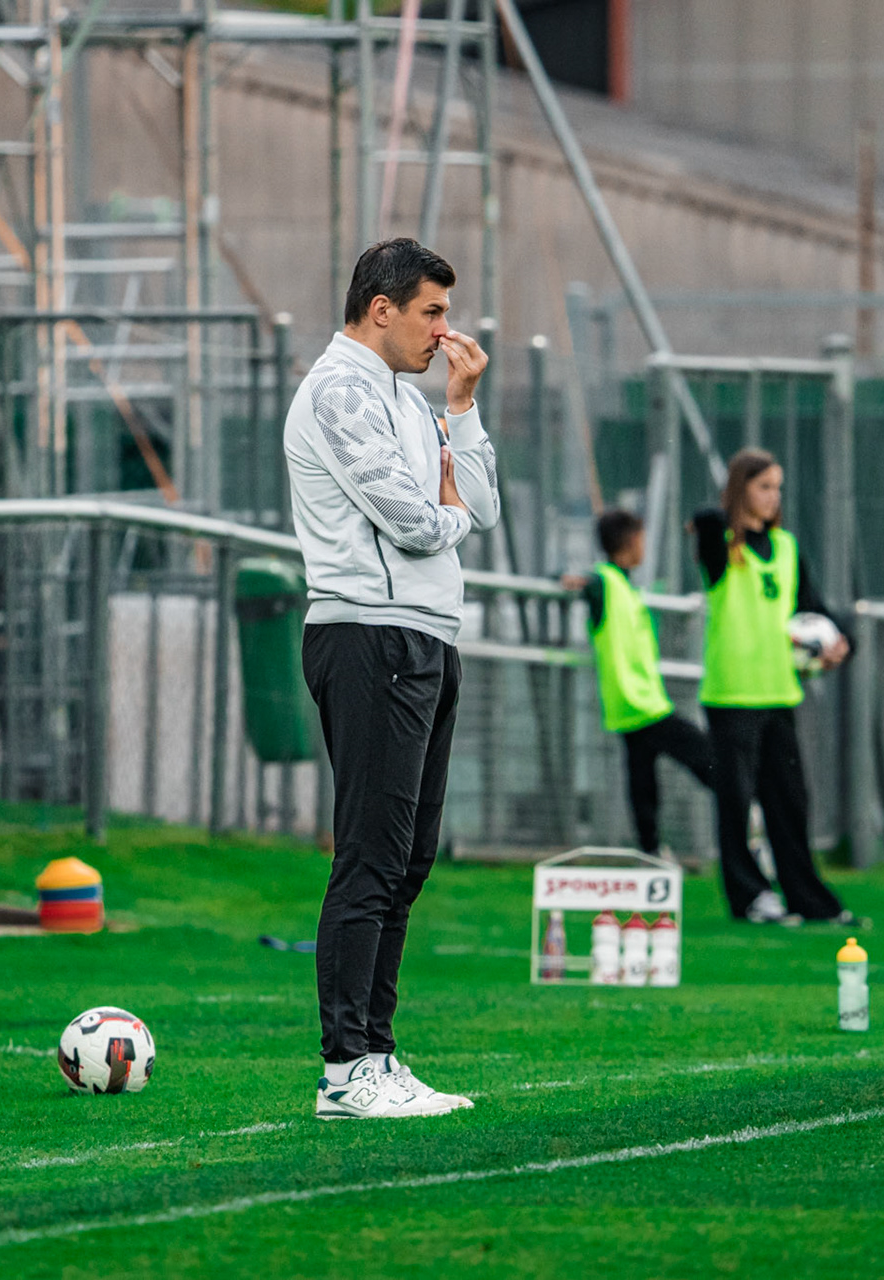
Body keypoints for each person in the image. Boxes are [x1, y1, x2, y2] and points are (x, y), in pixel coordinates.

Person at [284, 238, 501, 1120]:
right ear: (382, 307)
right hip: (367, 635)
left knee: (408, 860)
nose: (446, 331)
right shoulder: (338, 390)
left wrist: (463, 410)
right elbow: (417, 522)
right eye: (432, 313)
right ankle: (345, 1070)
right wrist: (446, 505)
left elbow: (479, 508)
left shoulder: (412, 402)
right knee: (371, 858)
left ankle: (377, 1050)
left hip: (424, 636)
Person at [690, 448, 858, 927]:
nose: (773, 496)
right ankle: (751, 897)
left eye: (777, 487)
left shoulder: (785, 547)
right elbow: (703, 519)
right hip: (730, 697)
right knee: (737, 806)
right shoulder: (721, 544)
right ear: (741, 489)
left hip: (779, 695)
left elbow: (815, 607)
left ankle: (808, 899)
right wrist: (728, 513)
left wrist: (841, 641)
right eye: (763, 486)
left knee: (790, 804)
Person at [562, 509, 715, 859]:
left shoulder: (625, 584)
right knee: (708, 759)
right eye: (641, 538)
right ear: (630, 541)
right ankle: (749, 814)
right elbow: (588, 583)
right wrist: (574, 580)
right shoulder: (604, 581)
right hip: (640, 703)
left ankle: (650, 850)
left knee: (642, 782)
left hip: (631, 705)